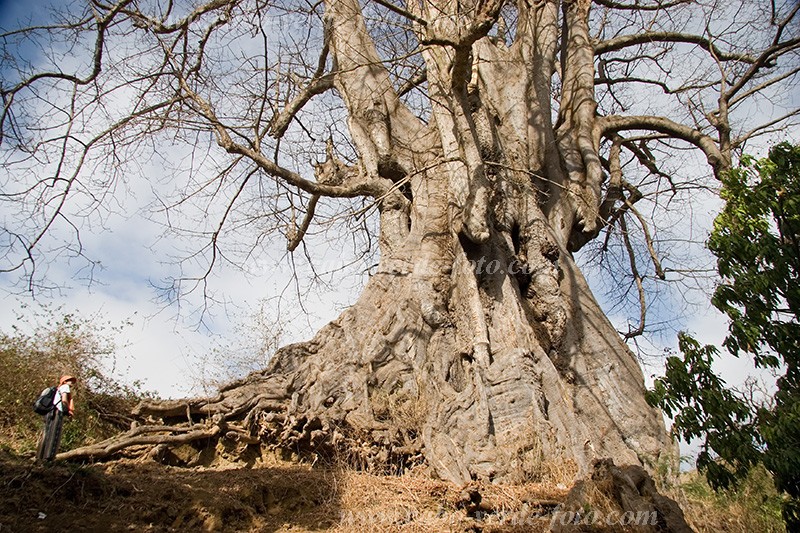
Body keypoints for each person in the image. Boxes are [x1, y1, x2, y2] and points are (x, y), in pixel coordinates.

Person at [35, 375, 77, 463]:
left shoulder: (58, 388)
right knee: (54, 434)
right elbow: (64, 400)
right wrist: (68, 411)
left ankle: (39, 457)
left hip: (50, 412)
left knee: (46, 433)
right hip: (57, 412)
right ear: (65, 382)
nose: (72, 382)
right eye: (70, 380)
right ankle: (49, 458)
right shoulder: (65, 387)